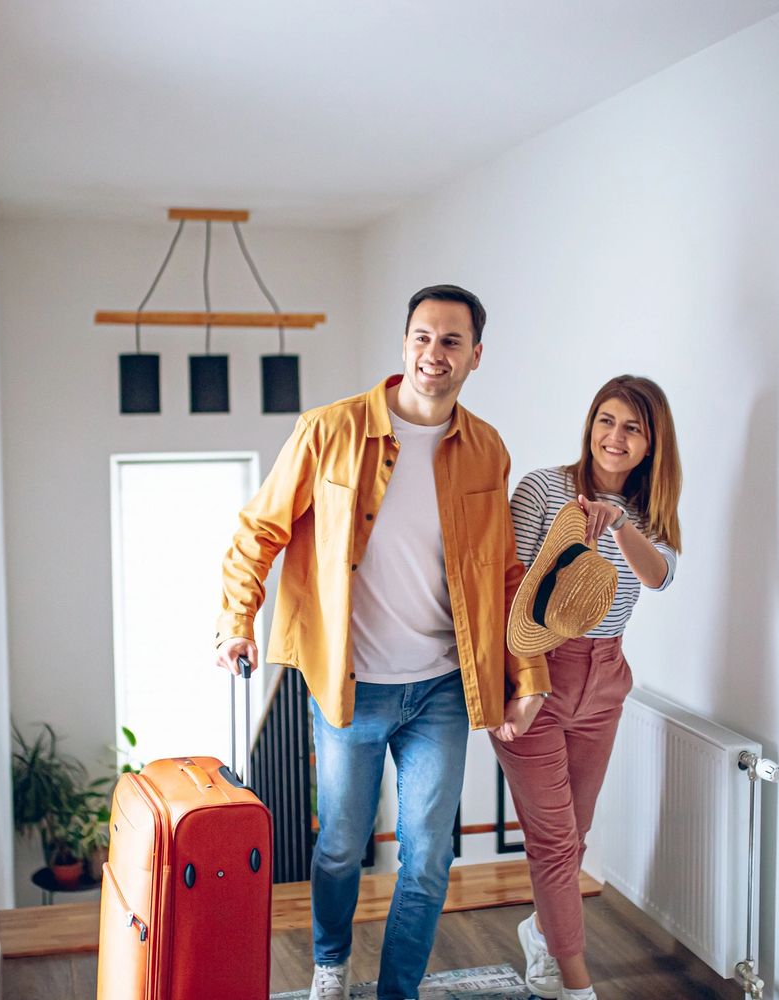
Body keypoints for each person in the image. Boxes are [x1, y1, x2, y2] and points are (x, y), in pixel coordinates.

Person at [214, 284, 549, 1000]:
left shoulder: (487, 449)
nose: (435, 353)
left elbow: (507, 572)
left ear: (476, 356)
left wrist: (528, 673)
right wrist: (237, 622)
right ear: (404, 345)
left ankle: (399, 993)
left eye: (452, 341)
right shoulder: (328, 430)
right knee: (340, 846)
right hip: (349, 682)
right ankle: (331, 965)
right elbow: (259, 531)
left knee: (428, 858)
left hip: (442, 688)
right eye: (424, 337)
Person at [494, 375, 683, 1000]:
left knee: (575, 833)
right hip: (539, 672)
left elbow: (659, 578)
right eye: (606, 420)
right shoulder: (546, 488)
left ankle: (543, 936)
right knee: (552, 842)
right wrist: (527, 684)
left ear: (652, 441)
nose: (614, 436)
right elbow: (515, 593)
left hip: (606, 680)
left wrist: (619, 523)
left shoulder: (651, 510)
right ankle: (577, 988)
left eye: (632, 427)